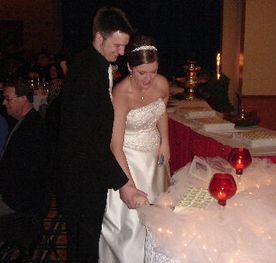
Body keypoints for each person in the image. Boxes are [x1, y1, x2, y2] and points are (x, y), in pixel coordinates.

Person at [54, 7, 148, 262]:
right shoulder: (87, 74)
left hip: (83, 171)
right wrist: (123, 184)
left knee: (82, 245)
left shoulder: (92, 64)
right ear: (99, 37)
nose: (121, 53)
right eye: (117, 45)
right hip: (81, 177)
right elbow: (90, 141)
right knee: (84, 247)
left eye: (124, 46)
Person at [99, 35, 171, 262]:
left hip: (154, 158)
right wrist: (127, 184)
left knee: (160, 218)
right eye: (142, 73)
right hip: (128, 159)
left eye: (153, 70)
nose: (149, 78)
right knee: (131, 225)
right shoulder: (121, 94)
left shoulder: (162, 84)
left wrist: (165, 142)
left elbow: (161, 112)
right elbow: (115, 145)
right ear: (129, 67)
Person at [0, 78, 49, 252]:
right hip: (15, 193)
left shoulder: (32, 130)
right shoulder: (25, 122)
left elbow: (25, 174)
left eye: (8, 98)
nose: (4, 102)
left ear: (23, 99)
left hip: (22, 201)